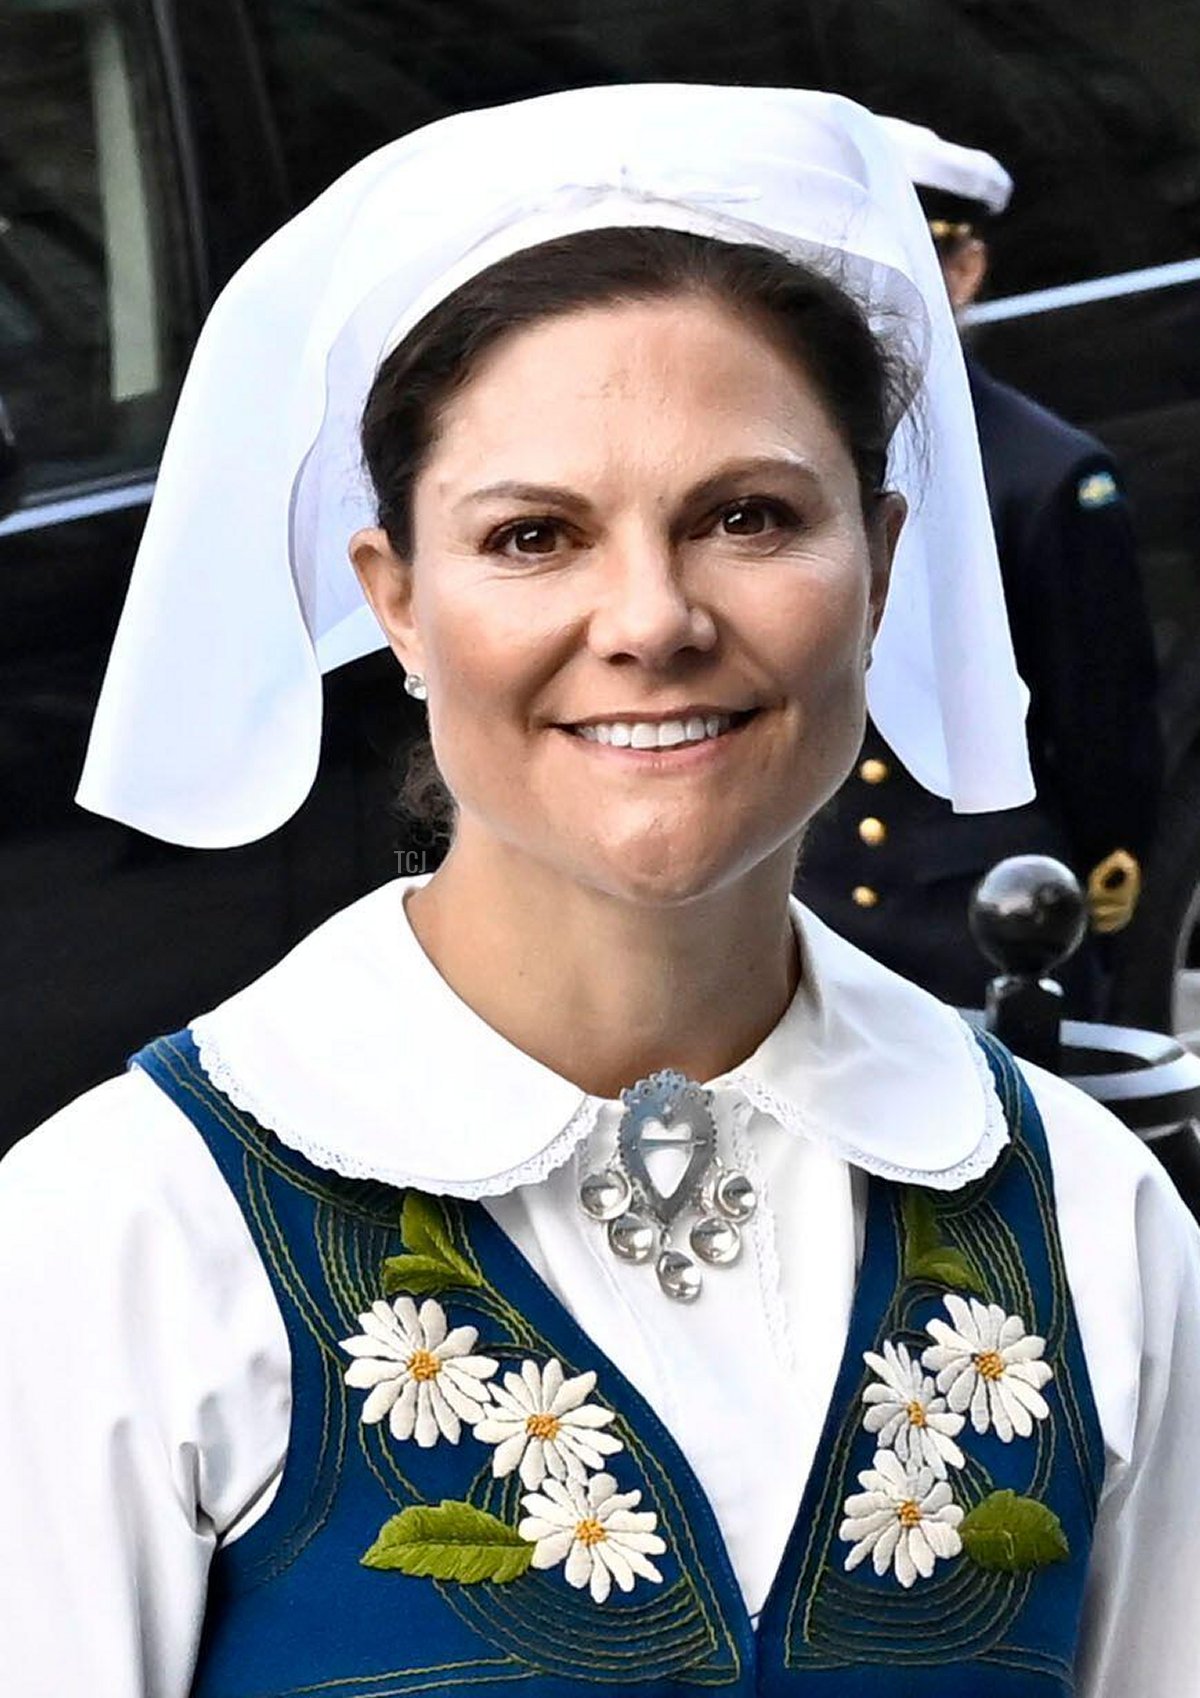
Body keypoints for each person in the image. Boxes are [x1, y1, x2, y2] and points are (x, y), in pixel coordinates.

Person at [0, 86, 1196, 1697]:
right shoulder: (128, 1239)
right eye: (534, 535)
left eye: (748, 515)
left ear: (884, 559)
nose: (652, 616)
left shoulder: (1093, 1222)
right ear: (397, 602)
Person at [796, 119, 1164, 1015]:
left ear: (964, 273)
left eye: (908, 265)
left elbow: (1100, 732)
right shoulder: (768, 447)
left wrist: (1090, 894)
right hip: (792, 894)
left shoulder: (1047, 473)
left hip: (976, 917)